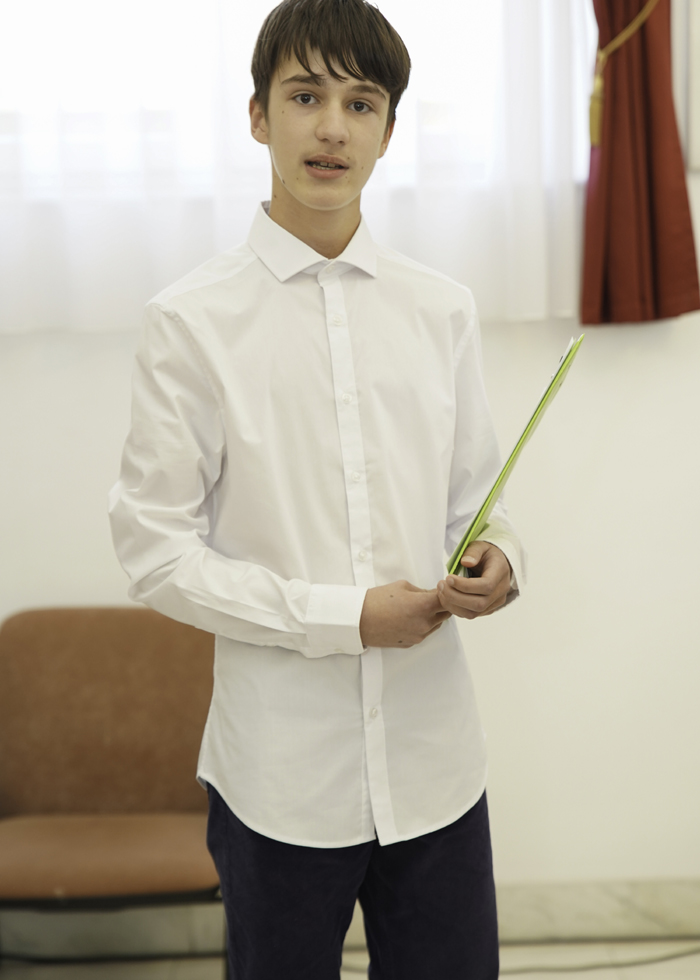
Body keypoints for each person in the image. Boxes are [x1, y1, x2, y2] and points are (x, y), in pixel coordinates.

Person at [108, 1, 526, 977]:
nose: (332, 126)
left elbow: (476, 501)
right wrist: (346, 617)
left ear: (388, 130)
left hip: (434, 765)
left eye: (360, 102)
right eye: (305, 96)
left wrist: (498, 556)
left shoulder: (442, 309)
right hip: (280, 778)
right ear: (258, 116)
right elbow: (155, 552)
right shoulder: (190, 321)